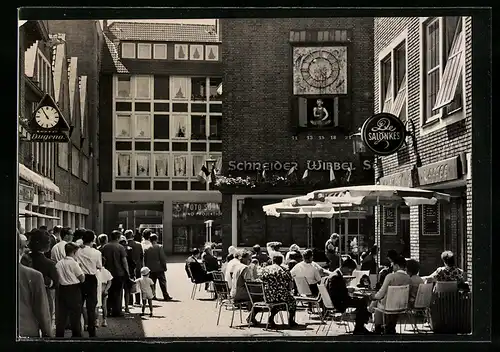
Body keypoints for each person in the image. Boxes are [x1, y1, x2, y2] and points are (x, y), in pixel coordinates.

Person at [21, 229, 59, 325]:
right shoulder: (50, 264)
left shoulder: (23, 260)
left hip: (24, 297)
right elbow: (55, 284)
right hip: (44, 297)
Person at [325, 257, 372, 334]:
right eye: (350, 271)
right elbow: (336, 292)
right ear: (347, 268)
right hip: (339, 302)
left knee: (360, 301)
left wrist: (347, 289)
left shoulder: (335, 274)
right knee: (363, 302)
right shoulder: (336, 277)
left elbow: (337, 290)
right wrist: (347, 291)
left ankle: (360, 318)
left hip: (338, 299)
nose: (350, 273)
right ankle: (359, 327)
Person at [18, 234, 53, 338]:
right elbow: (43, 313)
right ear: (20, 250)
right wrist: (48, 336)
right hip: (26, 332)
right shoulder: (34, 275)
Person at [369, 255, 412, 334]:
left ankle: (378, 326)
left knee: (376, 300)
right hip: (402, 305)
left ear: (397, 266)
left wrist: (374, 297)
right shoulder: (408, 278)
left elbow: (381, 292)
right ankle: (389, 326)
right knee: (382, 301)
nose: (392, 267)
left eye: (393, 265)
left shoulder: (390, 276)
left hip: (388, 305)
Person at [256, 255, 298, 328]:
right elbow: (290, 283)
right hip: (279, 295)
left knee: (279, 302)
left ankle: (270, 318)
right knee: (292, 301)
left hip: (267, 295)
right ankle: (291, 320)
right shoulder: (283, 270)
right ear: (281, 261)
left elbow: (259, 279)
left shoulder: (264, 269)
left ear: (272, 261)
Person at [55, 242, 85, 338]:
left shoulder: (58, 263)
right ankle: (76, 336)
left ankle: (59, 336)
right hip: (74, 289)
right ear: (74, 252)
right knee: (75, 315)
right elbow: (82, 278)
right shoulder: (74, 263)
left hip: (62, 289)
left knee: (62, 315)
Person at [75, 230, 102, 337]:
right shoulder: (97, 252)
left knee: (79, 305)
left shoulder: (77, 251)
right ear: (93, 239)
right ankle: (92, 330)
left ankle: (77, 329)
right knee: (91, 306)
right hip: (91, 279)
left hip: (80, 278)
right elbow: (99, 266)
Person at [100, 230, 130, 317]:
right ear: (118, 237)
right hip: (118, 273)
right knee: (118, 292)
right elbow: (124, 261)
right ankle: (117, 311)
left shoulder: (104, 247)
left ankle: (108, 309)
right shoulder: (120, 247)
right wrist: (127, 272)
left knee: (108, 291)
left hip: (107, 273)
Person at [144, 234, 172, 301]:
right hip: (159, 268)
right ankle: (165, 295)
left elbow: (145, 259)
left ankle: (153, 295)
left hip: (150, 268)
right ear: (156, 239)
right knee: (162, 282)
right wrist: (164, 266)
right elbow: (162, 258)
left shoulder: (146, 248)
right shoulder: (159, 247)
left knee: (152, 283)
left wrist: (146, 267)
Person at [230, 250, 255, 316]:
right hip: (240, 294)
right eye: (249, 259)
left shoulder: (236, 266)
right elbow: (249, 283)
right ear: (244, 259)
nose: (250, 260)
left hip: (233, 293)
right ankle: (251, 317)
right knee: (259, 296)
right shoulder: (245, 268)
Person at [125, 229, 144, 305]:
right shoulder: (138, 244)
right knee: (138, 283)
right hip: (138, 266)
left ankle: (129, 301)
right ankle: (138, 300)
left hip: (128, 267)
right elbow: (141, 256)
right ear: (132, 235)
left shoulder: (125, 245)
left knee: (128, 283)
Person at [96, 263, 113, 327]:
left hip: (98, 289)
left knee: (97, 306)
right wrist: (106, 289)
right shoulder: (107, 271)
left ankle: (97, 321)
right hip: (104, 289)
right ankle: (104, 320)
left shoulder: (96, 271)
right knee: (104, 306)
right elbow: (109, 282)